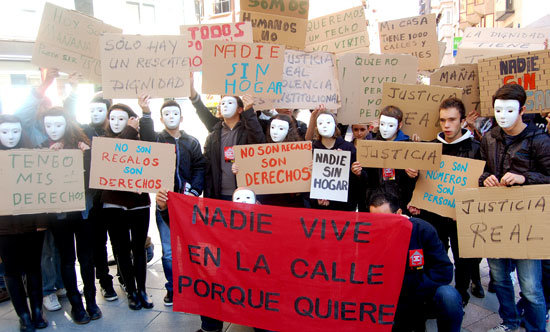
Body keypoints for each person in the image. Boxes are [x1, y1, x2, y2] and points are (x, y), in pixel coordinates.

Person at [479, 84, 550, 332]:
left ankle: (536, 328)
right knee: (499, 278)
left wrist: (525, 178)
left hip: (528, 223)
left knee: (530, 286)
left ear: (523, 110)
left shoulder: (540, 140)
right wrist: (484, 177)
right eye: (498, 110)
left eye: (509, 110)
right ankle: (509, 322)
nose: (503, 115)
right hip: (496, 221)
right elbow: (481, 169)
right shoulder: (489, 137)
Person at [408, 97, 484, 306]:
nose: (447, 125)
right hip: (434, 214)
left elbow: (482, 182)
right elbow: (420, 182)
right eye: (443, 120)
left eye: (452, 119)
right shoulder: (430, 147)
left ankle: (460, 295)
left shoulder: (476, 148)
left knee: (463, 259)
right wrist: (413, 174)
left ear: (462, 120)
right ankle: (435, 295)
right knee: (435, 255)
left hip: (462, 216)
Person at [138, 95, 206, 306]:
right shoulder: (157, 140)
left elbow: (199, 168)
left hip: (188, 203)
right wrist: (145, 114)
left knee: (189, 247)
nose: (171, 117)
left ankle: (191, 285)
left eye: (175, 113)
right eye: (166, 114)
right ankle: (173, 288)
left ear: (182, 117)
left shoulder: (192, 142)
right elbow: (147, 140)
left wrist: (194, 191)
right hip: (164, 203)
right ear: (161, 119)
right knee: (168, 250)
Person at [368, 192, 463, 332]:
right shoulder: (367, 235)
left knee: (449, 296)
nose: (380, 225)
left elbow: (444, 271)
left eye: (385, 219)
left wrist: (412, 285)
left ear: (399, 213)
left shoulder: (422, 230)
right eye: (375, 220)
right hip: (389, 298)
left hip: (421, 292)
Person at [40, 107, 100, 324]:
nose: (53, 130)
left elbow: (96, 177)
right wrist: (46, 158)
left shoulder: (82, 144)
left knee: (86, 258)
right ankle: (77, 305)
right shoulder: (40, 149)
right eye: (48, 126)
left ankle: (92, 302)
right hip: (60, 215)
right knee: (67, 259)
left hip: (83, 211)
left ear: (67, 124)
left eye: (58, 125)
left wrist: (86, 155)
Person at [64, 89, 118, 302]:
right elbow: (68, 119)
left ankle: (123, 276)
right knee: (98, 243)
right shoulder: (84, 131)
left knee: (118, 240)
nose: (95, 114)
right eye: (92, 110)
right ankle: (105, 282)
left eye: (100, 109)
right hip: (94, 198)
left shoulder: (118, 130)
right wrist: (72, 93)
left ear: (108, 112)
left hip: (115, 196)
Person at [100, 104, 153, 311]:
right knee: (121, 249)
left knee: (138, 248)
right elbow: (113, 155)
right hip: (113, 204)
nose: (115, 123)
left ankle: (142, 290)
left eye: (121, 119)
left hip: (139, 204)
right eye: (112, 118)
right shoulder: (104, 142)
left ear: (131, 120)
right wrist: (129, 131)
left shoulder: (141, 140)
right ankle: (131, 291)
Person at [0, 114, 49, 331]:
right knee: (11, 271)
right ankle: (23, 316)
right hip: (3, 227)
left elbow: (44, 189)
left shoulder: (33, 156)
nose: (10, 136)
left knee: (33, 268)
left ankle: (37, 312)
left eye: (15, 131)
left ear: (22, 132)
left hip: (32, 223)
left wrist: (41, 221)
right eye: (5, 132)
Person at [231, 114, 307, 207]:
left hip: (291, 203)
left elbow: (302, 182)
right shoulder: (261, 151)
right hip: (268, 203)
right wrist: (239, 168)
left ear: (289, 130)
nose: (275, 132)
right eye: (273, 127)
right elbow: (251, 172)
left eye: (281, 128)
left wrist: (309, 167)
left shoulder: (299, 152)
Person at [364, 106, 418, 213]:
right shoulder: (370, 146)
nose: (385, 129)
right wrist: (359, 172)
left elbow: (418, 182)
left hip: (400, 203)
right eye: (382, 124)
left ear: (400, 125)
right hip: (376, 205)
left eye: (391, 125)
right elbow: (367, 178)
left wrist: (413, 175)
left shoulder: (410, 147)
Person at [310, 109, 360, 211]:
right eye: (320, 123)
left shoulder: (348, 148)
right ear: (316, 127)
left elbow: (358, 181)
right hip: (319, 208)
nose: (324, 126)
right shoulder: (311, 149)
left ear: (335, 125)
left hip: (344, 207)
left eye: (328, 122)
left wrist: (354, 171)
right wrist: (317, 198)